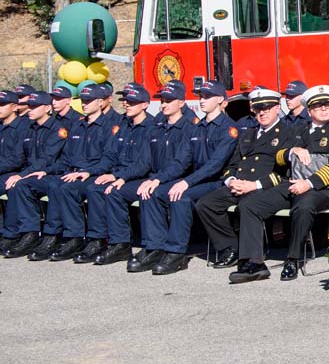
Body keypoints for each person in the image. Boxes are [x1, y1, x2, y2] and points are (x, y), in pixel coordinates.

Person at [229, 85, 329, 283]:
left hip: (322, 190)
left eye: (328, 104)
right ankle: (254, 262)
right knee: (249, 205)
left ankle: (293, 259)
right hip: (292, 183)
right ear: (310, 110)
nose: (324, 108)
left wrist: (308, 184)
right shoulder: (297, 130)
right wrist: (292, 151)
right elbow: (278, 157)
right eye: (318, 105)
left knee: (302, 206)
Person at [135, 79, 239, 275]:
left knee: (181, 197)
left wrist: (185, 182)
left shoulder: (228, 128)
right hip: (197, 179)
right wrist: (158, 179)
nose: (202, 100)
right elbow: (181, 162)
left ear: (221, 100)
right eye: (201, 96)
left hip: (217, 182)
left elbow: (214, 166)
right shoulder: (196, 127)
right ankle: (155, 246)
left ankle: (176, 253)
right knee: (153, 192)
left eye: (207, 97)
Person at [193, 88, 293, 270]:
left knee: (247, 205)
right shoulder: (248, 134)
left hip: (264, 188)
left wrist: (253, 185)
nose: (262, 112)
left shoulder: (288, 134)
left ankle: (252, 257)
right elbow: (231, 164)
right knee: (205, 204)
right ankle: (230, 247)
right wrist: (230, 180)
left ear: (277, 108)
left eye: (267, 108)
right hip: (239, 185)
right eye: (258, 109)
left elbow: (285, 173)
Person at [97, 81, 193, 271]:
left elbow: (181, 164)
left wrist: (156, 180)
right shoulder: (157, 128)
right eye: (162, 101)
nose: (164, 104)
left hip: (174, 179)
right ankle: (123, 244)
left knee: (153, 193)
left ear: (181, 103)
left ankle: (168, 251)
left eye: (169, 101)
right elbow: (144, 162)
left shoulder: (189, 128)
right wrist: (122, 179)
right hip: (154, 177)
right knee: (115, 191)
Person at [22, 84, 122, 262]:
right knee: (34, 183)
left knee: (68, 189)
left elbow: (109, 160)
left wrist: (87, 172)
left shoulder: (110, 126)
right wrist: (45, 171)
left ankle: (90, 239)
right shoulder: (78, 125)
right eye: (83, 101)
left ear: (100, 102)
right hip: (71, 173)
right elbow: (65, 160)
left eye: (89, 101)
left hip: (95, 174)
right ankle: (48, 235)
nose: (84, 104)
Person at [78, 84, 156, 265]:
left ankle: (121, 243)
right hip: (119, 174)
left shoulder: (151, 127)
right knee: (95, 187)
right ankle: (98, 240)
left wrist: (119, 178)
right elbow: (110, 156)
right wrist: (91, 171)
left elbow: (144, 164)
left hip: (139, 177)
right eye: (125, 101)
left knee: (114, 192)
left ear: (144, 105)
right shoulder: (122, 124)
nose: (126, 104)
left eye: (132, 101)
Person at [0, 91, 68, 258]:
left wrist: (22, 174)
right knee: (19, 184)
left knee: (23, 184)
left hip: (53, 173)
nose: (30, 109)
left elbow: (46, 160)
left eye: (35, 106)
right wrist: (23, 174)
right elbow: (21, 156)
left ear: (46, 108)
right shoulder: (31, 128)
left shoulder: (57, 129)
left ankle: (41, 235)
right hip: (33, 173)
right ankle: (21, 234)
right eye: (29, 106)